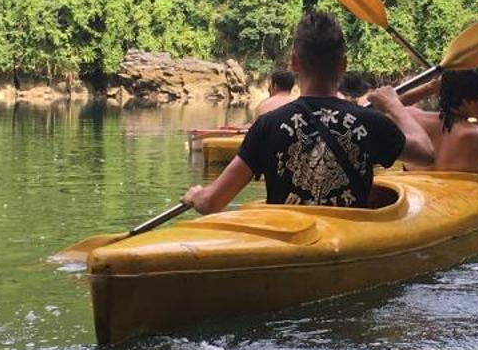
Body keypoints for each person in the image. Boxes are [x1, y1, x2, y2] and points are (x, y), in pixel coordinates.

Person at [184, 11, 434, 212]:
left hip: (288, 244)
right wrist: (395, 106)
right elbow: (425, 155)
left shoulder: (268, 125)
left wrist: (197, 195)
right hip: (347, 244)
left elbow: (211, 203)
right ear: (343, 64)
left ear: (294, 61)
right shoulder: (370, 121)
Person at [399, 68, 478, 176]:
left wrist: (429, 88)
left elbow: (388, 103)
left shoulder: (411, 117)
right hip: (452, 201)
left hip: (415, 195)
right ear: (467, 102)